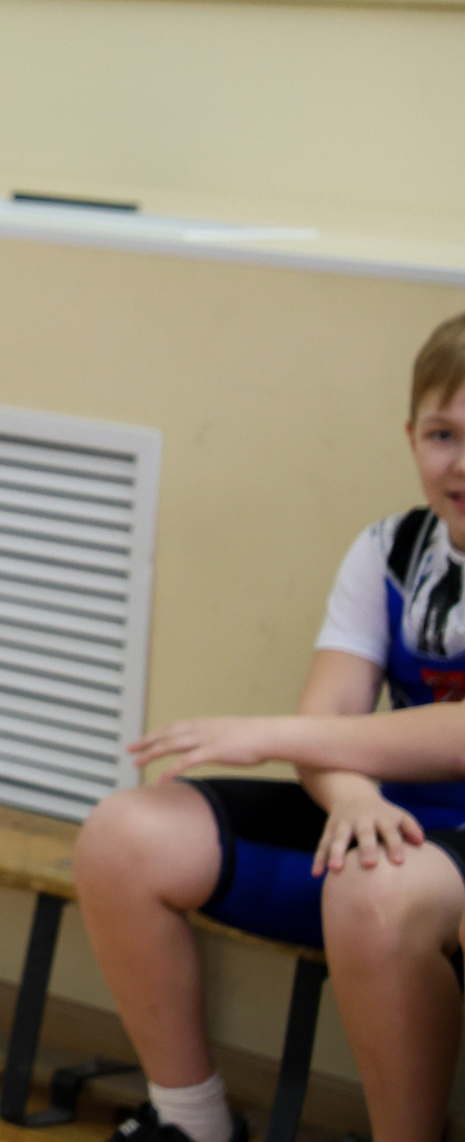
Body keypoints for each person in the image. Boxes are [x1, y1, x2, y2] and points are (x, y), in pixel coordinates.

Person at [74, 311, 465, 1142]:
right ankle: (191, 1123)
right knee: (123, 834)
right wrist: (352, 795)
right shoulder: (387, 550)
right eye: (442, 433)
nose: (460, 462)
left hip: (438, 869)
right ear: (410, 436)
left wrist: (280, 735)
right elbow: (326, 718)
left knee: (374, 887)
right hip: (395, 823)